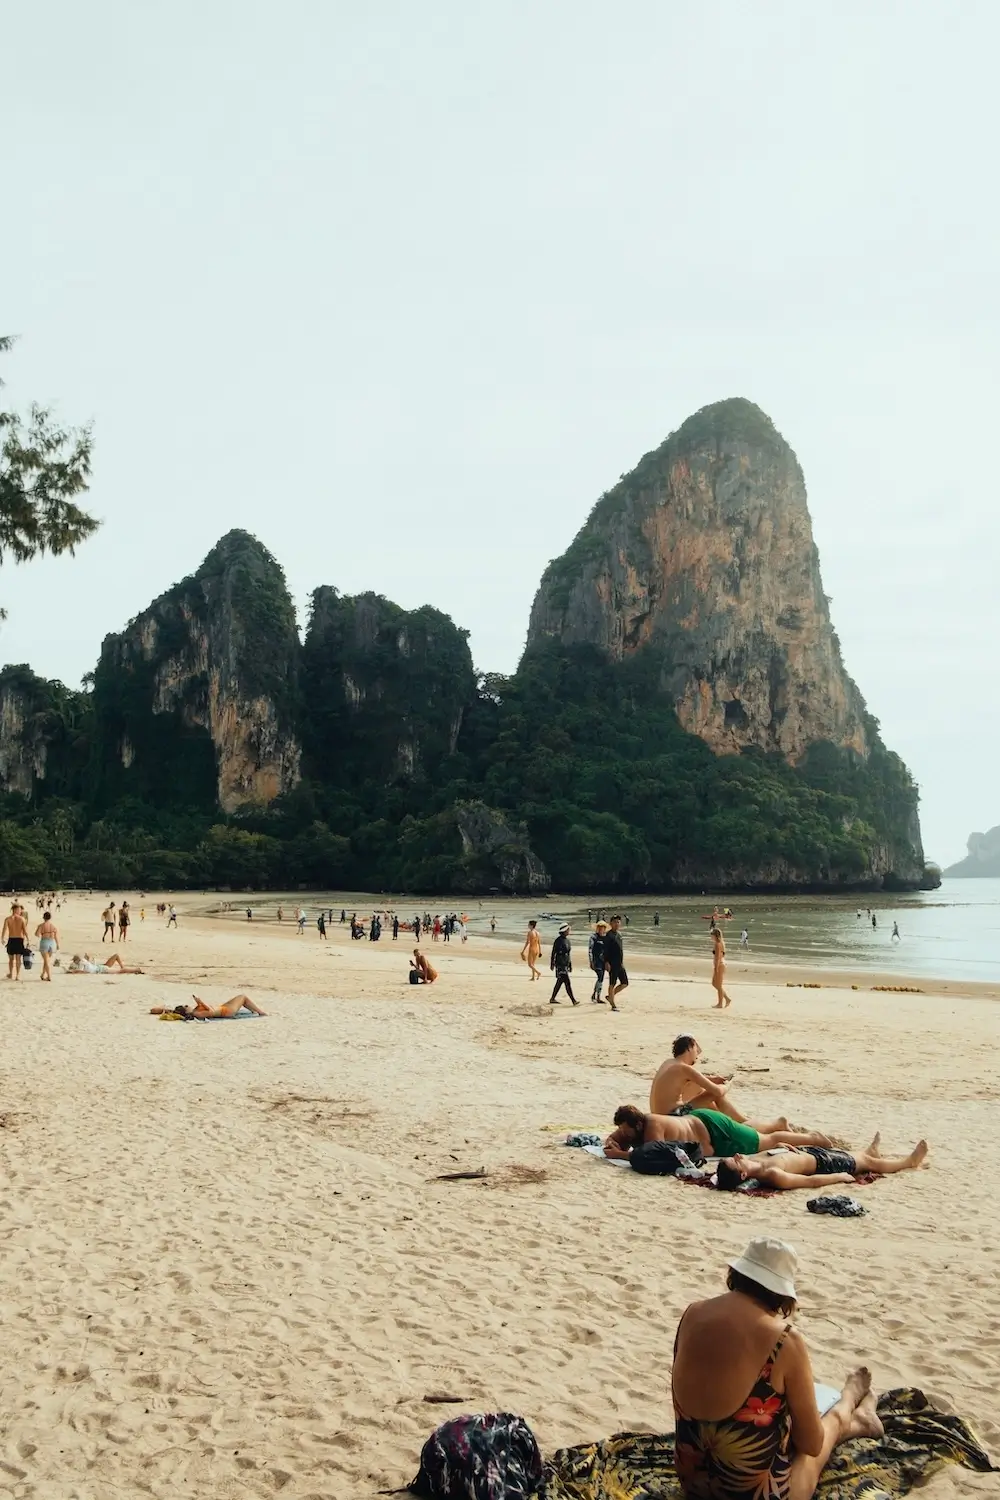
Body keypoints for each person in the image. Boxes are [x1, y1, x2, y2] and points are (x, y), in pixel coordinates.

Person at [671, 1237, 884, 1500]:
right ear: (782, 1294)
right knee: (811, 1448)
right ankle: (849, 1410)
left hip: (692, 1484)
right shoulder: (783, 1340)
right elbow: (811, 1444)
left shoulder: (691, 1314)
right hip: (756, 1495)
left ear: (736, 1274)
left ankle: (852, 1414)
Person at [649, 1036, 789, 1130]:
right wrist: (728, 1085)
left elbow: (686, 1083)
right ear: (690, 1047)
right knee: (715, 1095)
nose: (697, 1057)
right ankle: (743, 1124)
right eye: (697, 1051)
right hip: (673, 1116)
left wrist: (711, 1079)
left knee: (708, 1098)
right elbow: (717, 1091)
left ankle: (741, 1122)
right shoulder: (684, 1068)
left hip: (660, 1115)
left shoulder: (669, 1063)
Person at [604, 1105, 832, 1162]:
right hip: (705, 1127)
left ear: (637, 1125)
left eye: (626, 1130)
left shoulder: (652, 1125)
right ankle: (776, 1122)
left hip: (712, 1130)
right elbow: (619, 1136)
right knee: (748, 1133)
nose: (625, 1134)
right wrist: (614, 1140)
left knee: (766, 1142)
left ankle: (814, 1138)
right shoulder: (640, 1124)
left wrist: (619, 1155)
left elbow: (650, 1154)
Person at [715, 1133, 928, 1192]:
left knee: (854, 1155)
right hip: (823, 1164)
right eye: (735, 1161)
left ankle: (869, 1151)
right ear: (743, 1175)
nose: (737, 1156)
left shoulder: (753, 1160)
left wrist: (783, 1146)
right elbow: (810, 1182)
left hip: (808, 1153)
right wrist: (838, 1177)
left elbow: (774, 1153)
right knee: (868, 1163)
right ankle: (908, 1162)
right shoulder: (772, 1175)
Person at [150, 994, 267, 1018]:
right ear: (186, 1011)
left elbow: (154, 1010)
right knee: (243, 997)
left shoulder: (195, 1012)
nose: (188, 1005)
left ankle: (255, 1011)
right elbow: (209, 1011)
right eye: (186, 1006)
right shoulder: (197, 1013)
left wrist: (165, 1010)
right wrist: (200, 1002)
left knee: (242, 999)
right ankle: (260, 1012)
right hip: (228, 1011)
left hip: (223, 1008)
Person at [549, 923, 578, 1005]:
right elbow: (553, 952)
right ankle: (573, 1000)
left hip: (565, 963)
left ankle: (552, 998)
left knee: (560, 982)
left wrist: (570, 964)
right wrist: (552, 963)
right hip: (560, 964)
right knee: (567, 982)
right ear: (564, 931)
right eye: (568, 930)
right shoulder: (558, 941)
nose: (569, 931)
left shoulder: (567, 941)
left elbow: (568, 954)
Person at [603, 915, 628, 1011]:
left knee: (625, 983)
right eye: (615, 922)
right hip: (612, 963)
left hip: (620, 963)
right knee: (612, 983)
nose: (617, 924)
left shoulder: (619, 935)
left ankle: (610, 996)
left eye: (618, 922)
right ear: (611, 924)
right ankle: (613, 1004)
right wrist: (606, 962)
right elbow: (605, 951)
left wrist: (622, 962)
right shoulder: (608, 936)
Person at [3, 903, 30, 980]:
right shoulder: (22, 919)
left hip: (11, 940)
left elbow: (4, 930)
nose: (20, 911)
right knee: (18, 959)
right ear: (16, 910)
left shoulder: (8, 919)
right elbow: (25, 931)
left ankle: (11, 974)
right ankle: (17, 975)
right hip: (19, 940)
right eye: (19, 909)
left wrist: (2, 938)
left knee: (11, 959)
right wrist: (28, 939)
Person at [35, 910, 60, 982]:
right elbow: (56, 937)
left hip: (44, 942)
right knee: (46, 961)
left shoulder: (41, 925)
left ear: (43, 917)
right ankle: (43, 974)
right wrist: (58, 945)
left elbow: (37, 934)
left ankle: (49, 976)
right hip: (52, 943)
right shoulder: (53, 926)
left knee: (46, 961)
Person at [711, 925, 732, 1008]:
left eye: (712, 935)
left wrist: (716, 968)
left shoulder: (718, 944)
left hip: (720, 965)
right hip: (720, 964)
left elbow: (718, 957)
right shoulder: (720, 943)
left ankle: (720, 1003)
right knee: (714, 983)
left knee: (718, 985)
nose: (711, 937)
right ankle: (727, 999)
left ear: (715, 935)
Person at [68, 952, 144, 974]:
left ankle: (136, 969)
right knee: (117, 958)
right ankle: (125, 967)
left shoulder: (82, 963)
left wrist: (73, 971)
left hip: (102, 969)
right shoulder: (84, 961)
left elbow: (83, 972)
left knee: (120, 971)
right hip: (100, 967)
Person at [588, 921, 607, 1002]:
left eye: (602, 927)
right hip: (596, 961)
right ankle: (598, 997)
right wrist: (591, 961)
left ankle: (594, 994)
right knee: (600, 976)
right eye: (599, 927)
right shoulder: (593, 937)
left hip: (603, 961)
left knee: (601, 978)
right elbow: (590, 949)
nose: (601, 929)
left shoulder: (606, 938)